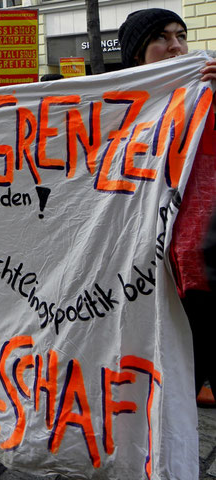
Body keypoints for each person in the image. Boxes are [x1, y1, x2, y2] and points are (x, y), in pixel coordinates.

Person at [119, 8, 216, 407]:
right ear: (138, 56)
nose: (176, 46)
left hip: (208, 268)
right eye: (161, 38)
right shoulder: (122, 111)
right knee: (171, 392)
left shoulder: (210, 95)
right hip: (156, 276)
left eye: (181, 35)